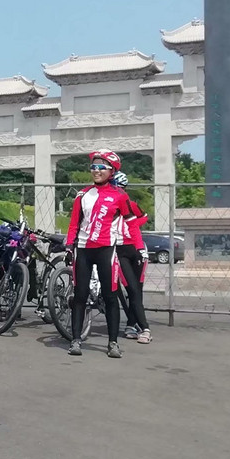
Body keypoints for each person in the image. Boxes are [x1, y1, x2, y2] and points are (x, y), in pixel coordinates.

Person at [65, 149, 133, 358]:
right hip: (83, 250)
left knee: (110, 296)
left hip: (106, 249)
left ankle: (112, 343)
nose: (96, 170)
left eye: (101, 167)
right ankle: (76, 340)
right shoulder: (83, 194)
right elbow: (75, 222)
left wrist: (132, 247)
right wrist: (69, 246)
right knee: (80, 295)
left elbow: (132, 220)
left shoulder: (120, 196)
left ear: (112, 171)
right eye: (93, 166)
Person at [111, 171, 152, 344]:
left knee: (137, 291)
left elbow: (144, 217)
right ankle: (139, 325)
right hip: (119, 250)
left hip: (136, 248)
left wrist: (130, 227)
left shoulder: (131, 204)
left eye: (121, 188)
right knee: (131, 289)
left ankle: (136, 326)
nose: (118, 191)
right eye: (115, 187)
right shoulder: (107, 206)